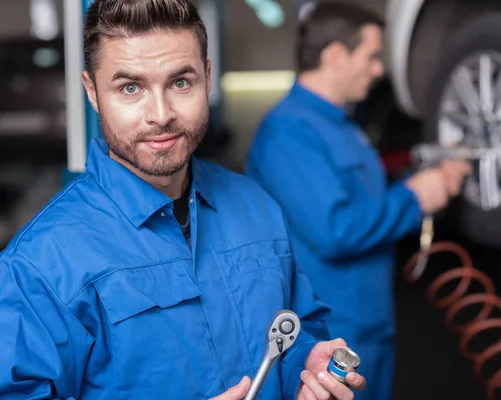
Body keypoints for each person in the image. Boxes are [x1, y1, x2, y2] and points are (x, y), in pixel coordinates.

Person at [0, 1, 367, 399]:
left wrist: (306, 367)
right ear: (92, 92)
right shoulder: (40, 262)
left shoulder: (256, 207)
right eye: (130, 87)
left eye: (180, 83)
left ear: (207, 77)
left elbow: (294, 325)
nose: (160, 114)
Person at [246, 2, 472, 399]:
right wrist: (415, 197)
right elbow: (336, 231)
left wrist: (420, 185)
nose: (378, 69)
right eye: (371, 56)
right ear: (335, 56)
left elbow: (363, 201)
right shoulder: (289, 132)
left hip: (370, 324)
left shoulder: (342, 126)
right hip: (330, 335)